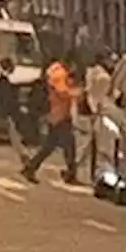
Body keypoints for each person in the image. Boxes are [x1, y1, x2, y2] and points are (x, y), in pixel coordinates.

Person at [22, 57, 82, 185]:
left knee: (51, 146)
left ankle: (31, 167)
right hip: (59, 114)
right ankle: (70, 174)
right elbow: (61, 93)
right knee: (68, 145)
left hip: (56, 113)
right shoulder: (60, 74)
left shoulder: (54, 70)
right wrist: (75, 93)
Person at [84, 52, 112, 175]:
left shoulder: (90, 72)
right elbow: (100, 96)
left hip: (91, 109)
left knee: (93, 144)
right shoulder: (103, 77)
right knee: (98, 145)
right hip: (98, 111)